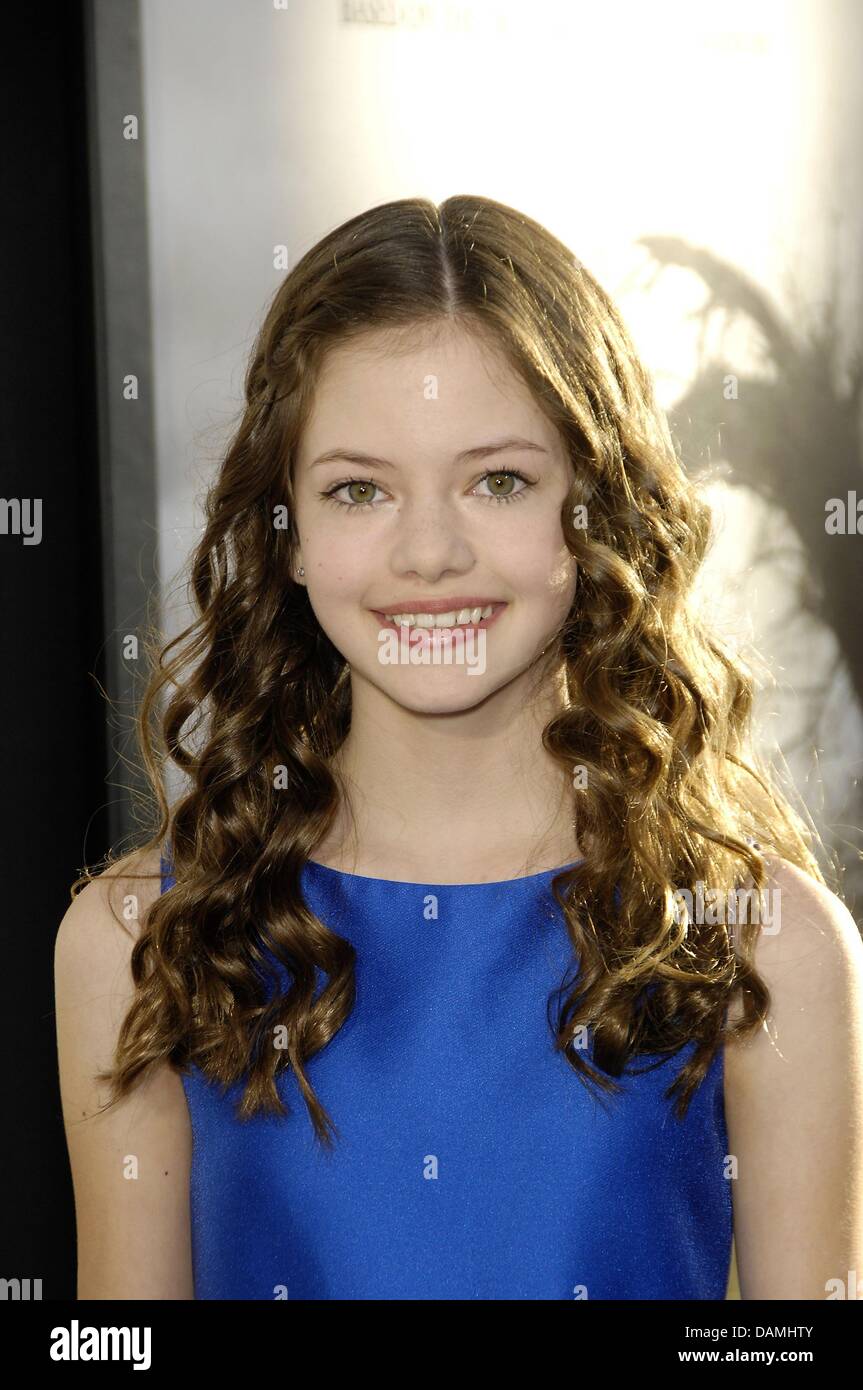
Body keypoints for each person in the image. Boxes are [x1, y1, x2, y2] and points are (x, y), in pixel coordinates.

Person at [55, 194, 863, 1301]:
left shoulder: (767, 949)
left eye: (498, 481)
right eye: (356, 489)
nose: (429, 550)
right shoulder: (139, 942)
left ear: (596, 507)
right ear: (283, 533)